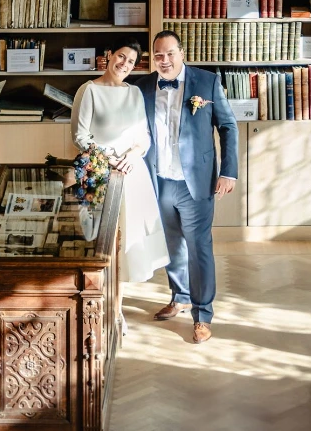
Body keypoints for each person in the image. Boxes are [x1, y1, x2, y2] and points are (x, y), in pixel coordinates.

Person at [139, 30, 238, 344]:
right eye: (158, 55)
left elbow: (228, 126)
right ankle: (179, 296)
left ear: (182, 53)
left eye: (169, 53)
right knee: (171, 246)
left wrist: (229, 172)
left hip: (195, 183)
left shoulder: (206, 82)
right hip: (159, 181)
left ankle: (203, 313)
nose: (164, 60)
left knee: (199, 248)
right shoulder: (141, 88)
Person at [71, 38, 169, 287]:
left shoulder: (134, 93)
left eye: (132, 62)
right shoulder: (89, 90)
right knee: (103, 242)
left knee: (127, 244)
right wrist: (110, 158)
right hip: (101, 172)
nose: (125, 64)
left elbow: (144, 137)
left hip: (132, 172)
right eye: (122, 56)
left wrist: (133, 155)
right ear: (110, 55)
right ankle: (96, 298)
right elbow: (80, 136)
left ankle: (117, 307)